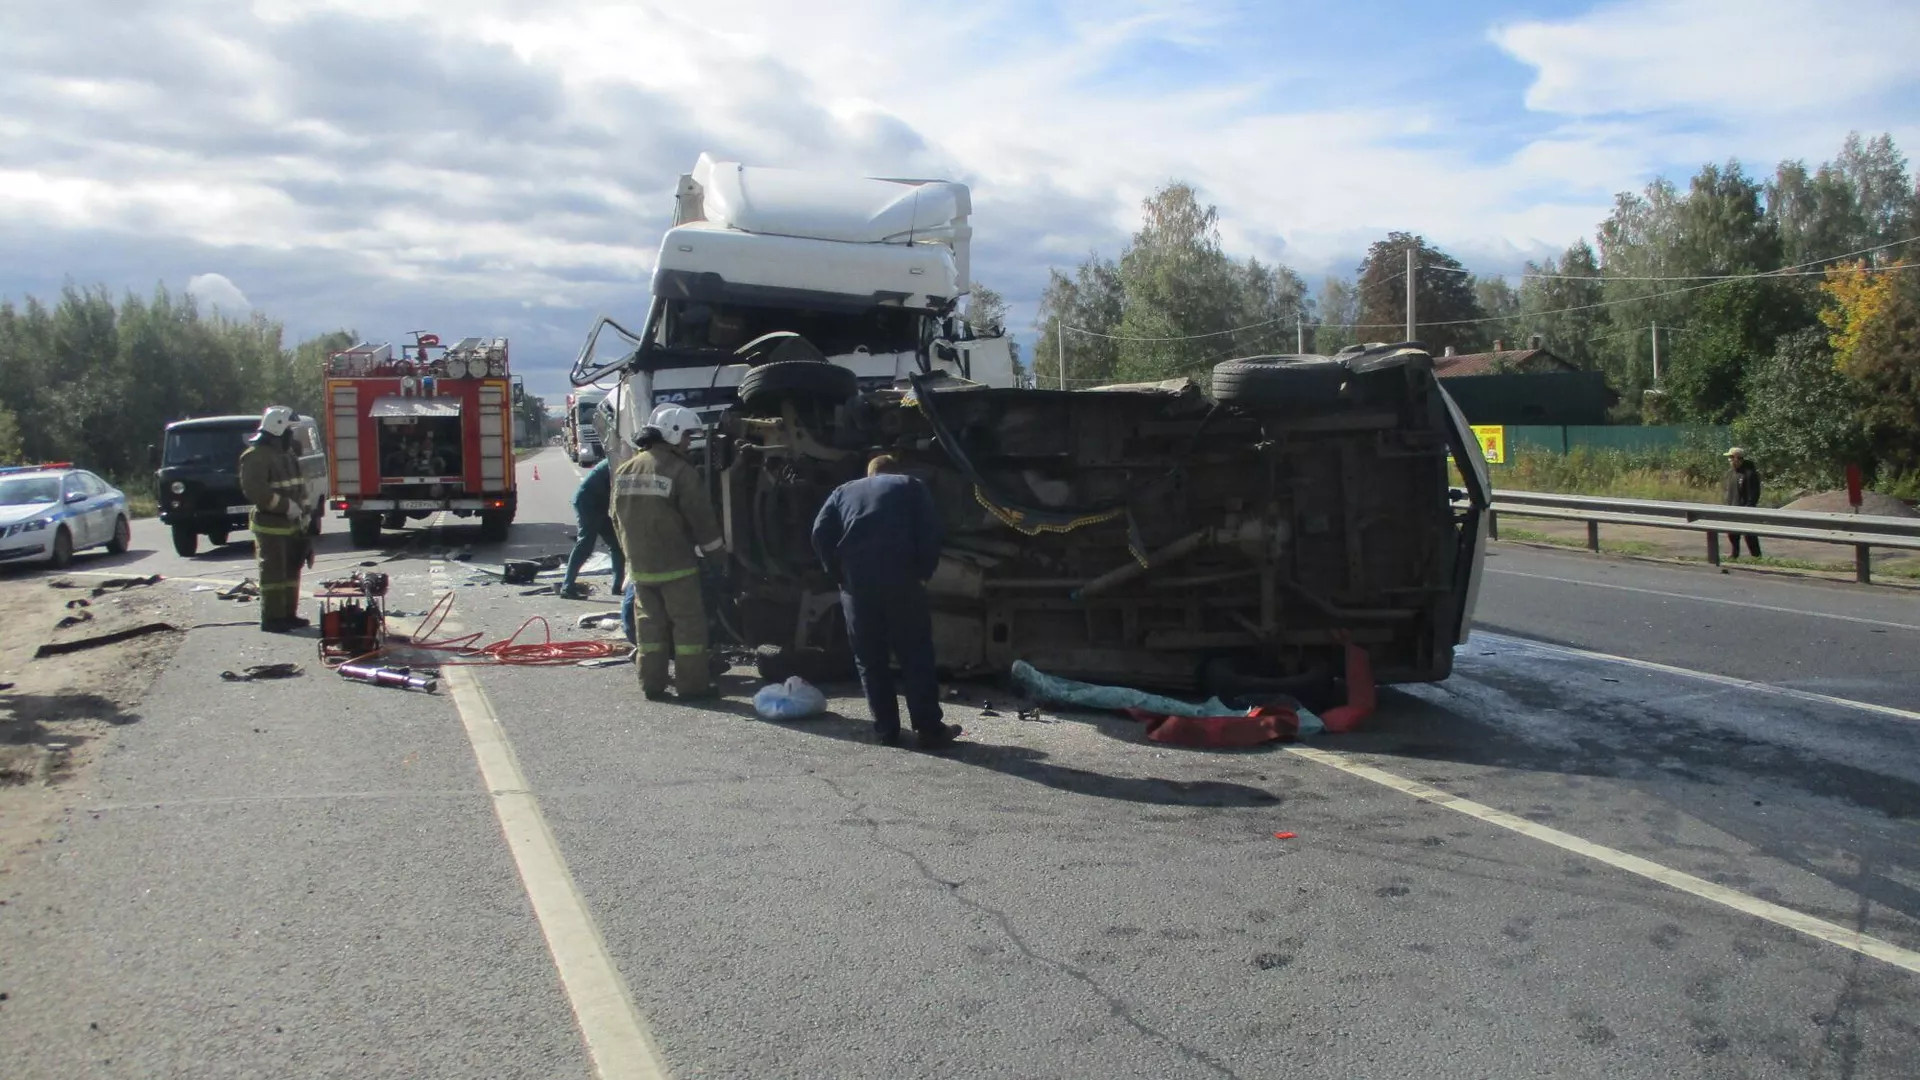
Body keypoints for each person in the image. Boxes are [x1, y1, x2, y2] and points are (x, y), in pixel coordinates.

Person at [810, 455, 962, 749]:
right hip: (901, 582)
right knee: (915, 655)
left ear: (870, 475)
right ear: (894, 471)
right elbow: (931, 531)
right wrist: (923, 572)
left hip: (857, 588)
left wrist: (837, 573)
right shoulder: (910, 485)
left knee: (870, 660)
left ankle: (886, 731)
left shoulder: (843, 491)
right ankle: (929, 730)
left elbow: (819, 533)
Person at [611, 404, 724, 700]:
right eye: (687, 436)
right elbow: (702, 521)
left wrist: (630, 555)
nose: (689, 443)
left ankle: (652, 685)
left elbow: (615, 518)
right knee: (688, 628)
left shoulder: (625, 470)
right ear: (673, 435)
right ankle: (692, 686)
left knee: (649, 629)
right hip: (677, 568)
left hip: (640, 569)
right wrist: (718, 561)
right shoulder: (680, 471)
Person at [238, 405, 311, 633]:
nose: (293, 434)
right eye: (290, 430)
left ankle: (288, 614)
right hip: (271, 525)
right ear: (278, 429)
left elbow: (299, 486)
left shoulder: (287, 454)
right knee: (273, 574)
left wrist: (305, 514)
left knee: (291, 571)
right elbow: (255, 490)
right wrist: (285, 505)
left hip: (293, 524)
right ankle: (272, 618)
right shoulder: (255, 456)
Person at [558, 456, 624, 600]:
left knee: (616, 544)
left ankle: (617, 587)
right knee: (585, 544)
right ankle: (567, 587)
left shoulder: (619, 459)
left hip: (600, 504)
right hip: (588, 502)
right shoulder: (618, 462)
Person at [1722, 446, 1763, 559]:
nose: (1729, 460)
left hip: (1745, 509)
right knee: (1732, 534)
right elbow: (1728, 491)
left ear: (1738, 458)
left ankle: (1756, 557)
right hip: (1732, 508)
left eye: (1731, 457)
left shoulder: (1750, 474)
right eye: (1729, 457)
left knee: (1749, 535)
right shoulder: (1730, 473)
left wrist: (1748, 508)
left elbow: (1754, 494)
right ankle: (1734, 555)